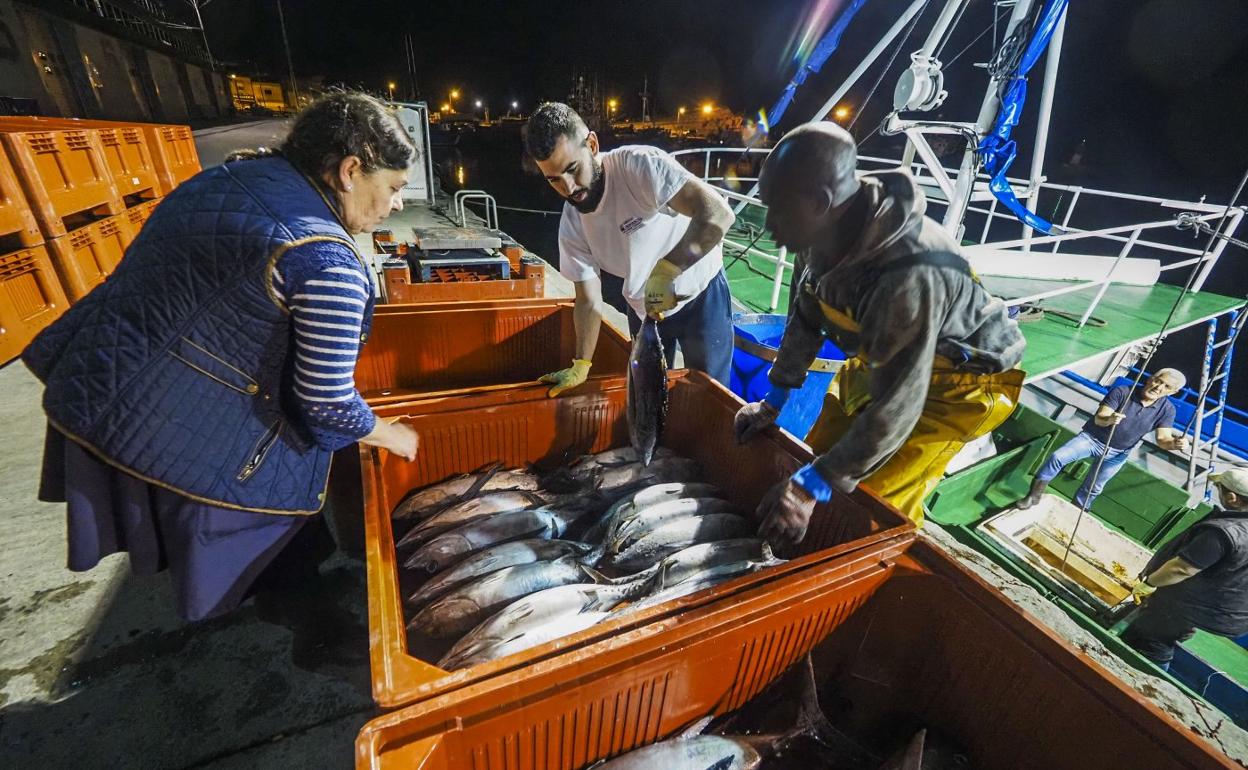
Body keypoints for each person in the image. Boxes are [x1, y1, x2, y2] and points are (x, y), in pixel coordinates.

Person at [22, 92, 419, 668]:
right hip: (181, 418)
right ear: (350, 170)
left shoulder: (229, 179)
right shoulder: (328, 262)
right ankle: (315, 630)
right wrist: (388, 433)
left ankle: (297, 596)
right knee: (269, 509)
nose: (397, 204)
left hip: (113, 380)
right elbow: (326, 402)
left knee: (290, 522)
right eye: (392, 188)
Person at [734, 121, 1026, 540]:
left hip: (959, 382)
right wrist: (772, 401)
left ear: (820, 201)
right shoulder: (820, 231)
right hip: (884, 354)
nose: (769, 225)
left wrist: (807, 490)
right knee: (822, 453)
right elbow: (805, 314)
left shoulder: (909, 274)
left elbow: (897, 408)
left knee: (873, 500)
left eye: (777, 209)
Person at [524, 102, 737, 394]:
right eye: (554, 180)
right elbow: (588, 300)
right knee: (646, 399)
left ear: (593, 144)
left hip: (699, 292)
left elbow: (718, 214)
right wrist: (581, 364)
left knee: (709, 393)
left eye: (573, 169)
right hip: (643, 307)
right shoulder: (572, 224)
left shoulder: (639, 166)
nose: (570, 188)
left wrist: (667, 270)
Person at [1122, 467, 1248, 669]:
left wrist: (1149, 584)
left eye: (1219, 488)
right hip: (1229, 613)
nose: (1217, 490)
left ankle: (1145, 679)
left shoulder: (1225, 533)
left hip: (1196, 608)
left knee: (1150, 637)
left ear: (1232, 497)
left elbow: (1181, 569)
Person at [1017, 370, 1188, 510]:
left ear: (1173, 392)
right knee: (1057, 457)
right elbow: (1100, 418)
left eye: (1166, 387)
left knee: (1094, 487)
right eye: (1158, 381)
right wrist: (1110, 420)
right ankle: (1033, 496)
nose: (1158, 387)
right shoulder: (1123, 392)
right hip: (1091, 439)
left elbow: (1163, 439)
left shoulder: (1167, 410)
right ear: (1151, 378)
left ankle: (1076, 510)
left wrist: (1175, 443)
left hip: (1118, 454)